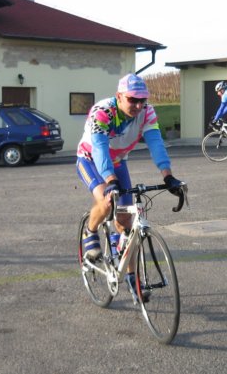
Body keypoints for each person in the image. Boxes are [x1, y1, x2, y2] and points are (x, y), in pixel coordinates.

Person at [76, 73, 183, 302]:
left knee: (127, 222)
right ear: (119, 96)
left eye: (142, 100)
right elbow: (100, 148)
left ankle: (132, 278)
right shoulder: (102, 112)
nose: (138, 105)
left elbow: (155, 142)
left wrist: (168, 176)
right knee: (106, 201)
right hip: (90, 160)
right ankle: (90, 231)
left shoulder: (147, 112)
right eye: (132, 99)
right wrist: (110, 180)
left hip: (117, 162)